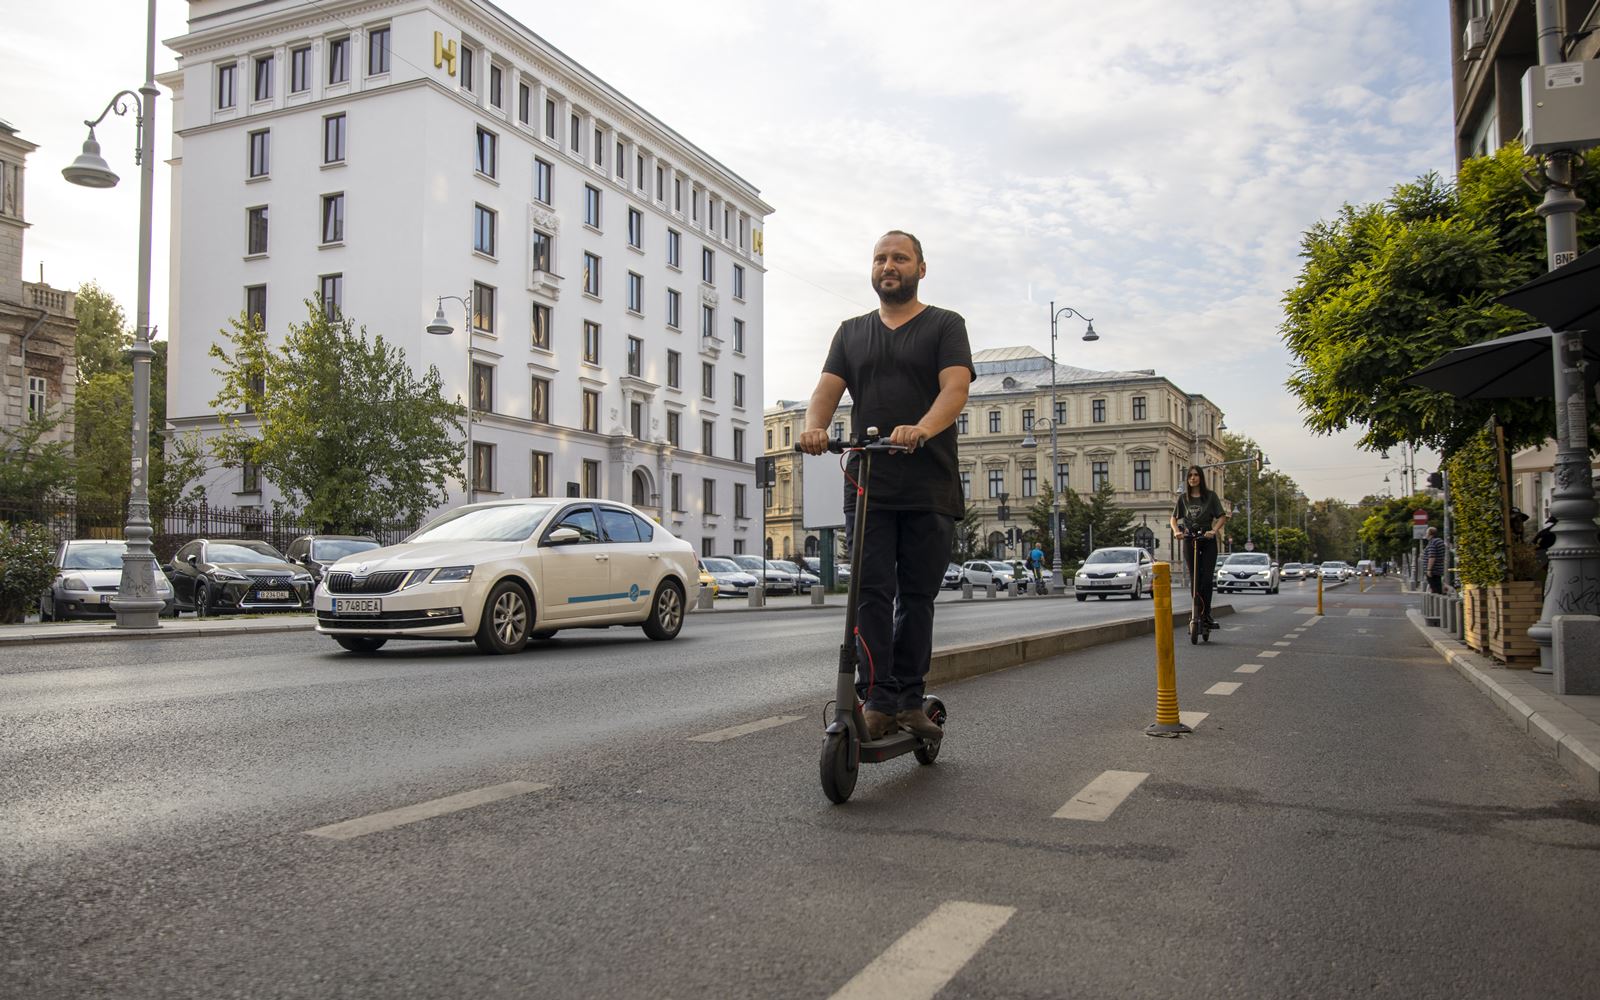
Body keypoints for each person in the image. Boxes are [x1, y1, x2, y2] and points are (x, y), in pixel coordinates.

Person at [798, 230, 974, 741]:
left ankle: (910, 698)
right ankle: (877, 699)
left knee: (916, 596)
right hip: (870, 482)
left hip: (928, 484)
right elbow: (825, 391)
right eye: (880, 258)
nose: (888, 265)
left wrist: (922, 427)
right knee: (870, 592)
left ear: (921, 268)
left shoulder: (944, 324)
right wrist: (814, 427)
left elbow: (956, 387)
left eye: (899, 258)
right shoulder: (851, 333)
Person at [1169, 466, 1227, 628]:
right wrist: (1176, 531)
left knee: (1206, 578)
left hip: (1206, 539)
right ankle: (1196, 612)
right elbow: (1173, 518)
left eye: (1196, 475)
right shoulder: (1183, 498)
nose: (1193, 478)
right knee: (1195, 578)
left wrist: (1213, 530)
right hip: (1190, 538)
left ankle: (1206, 613)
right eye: (1190, 476)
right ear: (1187, 479)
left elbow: (1222, 517)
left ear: (1201, 477)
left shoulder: (1210, 496)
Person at [1423, 526, 1447, 594]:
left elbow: (1432, 557)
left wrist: (1429, 569)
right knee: (1438, 586)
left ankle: (1438, 601)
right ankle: (1440, 600)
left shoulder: (1432, 543)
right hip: (1438, 569)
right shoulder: (1439, 541)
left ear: (1430, 534)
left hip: (1433, 570)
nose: (1426, 535)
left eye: (1426, 533)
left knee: (1434, 588)